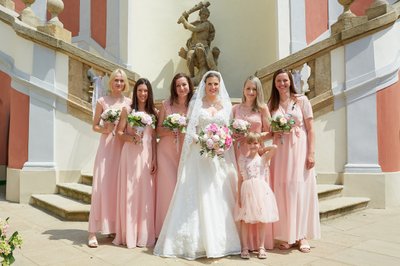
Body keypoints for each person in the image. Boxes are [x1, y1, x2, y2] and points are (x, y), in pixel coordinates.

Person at [154, 71, 241, 260]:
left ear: (220, 85)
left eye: (216, 84)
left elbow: (228, 132)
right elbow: (191, 130)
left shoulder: (227, 106)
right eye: (209, 84)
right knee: (196, 197)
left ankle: (220, 241)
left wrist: (221, 143)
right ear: (204, 85)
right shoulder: (196, 104)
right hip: (198, 155)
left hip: (218, 157)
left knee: (218, 195)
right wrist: (203, 142)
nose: (212, 87)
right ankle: (194, 241)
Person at [268, 69, 320, 253]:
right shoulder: (271, 105)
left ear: (290, 81)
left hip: (299, 147)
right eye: (278, 81)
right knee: (282, 190)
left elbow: (311, 129)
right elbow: (270, 132)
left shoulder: (302, 100)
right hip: (280, 152)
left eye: (284, 80)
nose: (282, 84)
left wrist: (311, 153)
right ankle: (287, 235)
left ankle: (302, 235)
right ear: (274, 84)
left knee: (300, 189)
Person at [88, 69, 132, 248]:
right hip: (106, 149)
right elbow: (94, 126)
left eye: (122, 81)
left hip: (121, 149)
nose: (119, 84)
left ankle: (113, 227)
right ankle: (92, 232)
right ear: (111, 82)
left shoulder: (129, 102)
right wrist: (104, 129)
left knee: (117, 188)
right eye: (116, 80)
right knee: (101, 187)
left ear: (125, 83)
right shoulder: (102, 101)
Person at [112, 78, 158, 248]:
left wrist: (154, 159)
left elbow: (153, 138)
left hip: (146, 155)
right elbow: (119, 133)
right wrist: (132, 137)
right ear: (135, 92)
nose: (143, 94)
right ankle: (128, 234)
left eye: (146, 91)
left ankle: (143, 235)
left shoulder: (154, 112)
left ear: (149, 93)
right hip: (130, 155)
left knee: (145, 194)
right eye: (140, 90)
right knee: (130, 192)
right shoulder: (128, 110)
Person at [232, 75, 275, 251]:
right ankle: (243, 243)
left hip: (257, 155)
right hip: (239, 153)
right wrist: (237, 135)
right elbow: (230, 131)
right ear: (243, 89)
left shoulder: (263, 108)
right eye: (248, 88)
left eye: (254, 89)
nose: (250, 92)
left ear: (258, 91)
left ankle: (260, 244)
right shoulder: (235, 108)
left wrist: (252, 138)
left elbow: (271, 132)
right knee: (240, 193)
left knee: (258, 201)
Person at [155, 73, 194, 237]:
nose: (181, 88)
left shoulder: (194, 106)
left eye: (184, 85)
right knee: (168, 189)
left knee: (185, 189)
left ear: (189, 86)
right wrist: (171, 128)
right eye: (178, 85)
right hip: (166, 152)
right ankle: (163, 231)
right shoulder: (166, 105)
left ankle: (182, 230)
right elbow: (158, 131)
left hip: (186, 152)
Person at [235, 133, 279, 259]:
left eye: (255, 143)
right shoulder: (242, 159)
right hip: (247, 191)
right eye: (250, 143)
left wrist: (262, 149)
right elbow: (240, 179)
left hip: (260, 191)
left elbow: (275, 147)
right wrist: (239, 196)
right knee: (245, 220)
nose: (252, 145)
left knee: (261, 219)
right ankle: (244, 247)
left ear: (259, 143)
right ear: (246, 144)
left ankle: (261, 246)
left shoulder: (263, 158)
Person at [178, 6, 219, 85]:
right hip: (193, 45)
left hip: (204, 46)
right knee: (189, 57)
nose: (204, 16)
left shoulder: (207, 24)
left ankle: (216, 79)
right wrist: (186, 17)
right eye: (202, 14)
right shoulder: (197, 22)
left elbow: (194, 29)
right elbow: (187, 26)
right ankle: (192, 76)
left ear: (207, 16)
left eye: (206, 15)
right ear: (200, 15)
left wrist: (183, 21)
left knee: (211, 62)